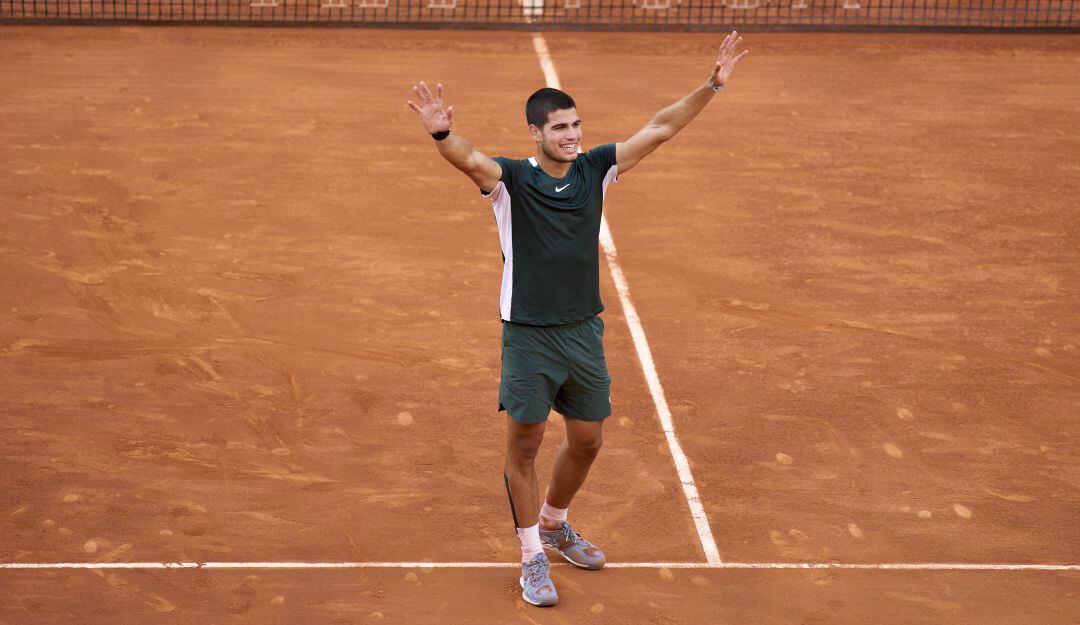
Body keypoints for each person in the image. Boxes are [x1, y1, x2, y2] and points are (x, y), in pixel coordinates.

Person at [407, 31, 749, 607]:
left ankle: (554, 523)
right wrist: (441, 132)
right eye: (560, 128)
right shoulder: (510, 182)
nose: (573, 135)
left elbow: (660, 127)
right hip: (530, 336)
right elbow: (466, 156)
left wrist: (711, 85)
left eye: (576, 125)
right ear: (535, 134)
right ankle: (531, 557)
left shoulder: (596, 170)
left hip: (583, 331)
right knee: (525, 444)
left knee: (587, 441)